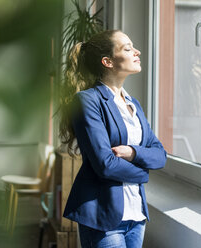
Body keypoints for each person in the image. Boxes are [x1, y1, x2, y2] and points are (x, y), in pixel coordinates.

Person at [59, 30, 167, 248]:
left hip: (136, 215)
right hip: (103, 216)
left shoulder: (133, 104)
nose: (137, 52)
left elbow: (160, 155)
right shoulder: (87, 100)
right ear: (107, 61)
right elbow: (105, 164)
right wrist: (143, 174)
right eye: (127, 48)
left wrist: (134, 152)